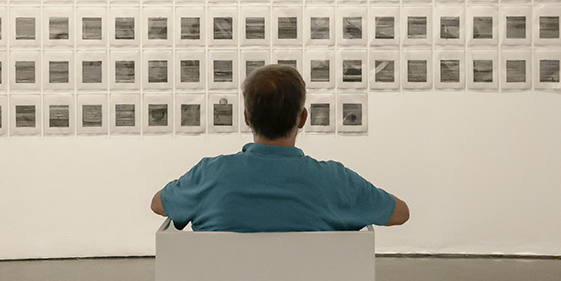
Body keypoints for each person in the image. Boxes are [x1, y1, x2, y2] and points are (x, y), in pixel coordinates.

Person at [151, 65, 409, 232]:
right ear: (303, 118)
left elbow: (158, 204)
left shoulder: (209, 174)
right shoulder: (337, 180)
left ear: (247, 118)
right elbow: (400, 213)